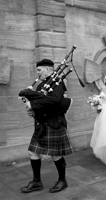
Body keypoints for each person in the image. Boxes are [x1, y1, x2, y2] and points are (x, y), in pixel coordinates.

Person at [20, 59, 74, 193]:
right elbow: (41, 102)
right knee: (32, 151)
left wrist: (34, 104)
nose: (37, 73)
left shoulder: (57, 83)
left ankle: (62, 180)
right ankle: (37, 182)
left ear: (49, 70)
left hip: (54, 123)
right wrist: (32, 110)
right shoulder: (40, 86)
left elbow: (55, 100)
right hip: (41, 124)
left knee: (55, 155)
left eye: (39, 70)